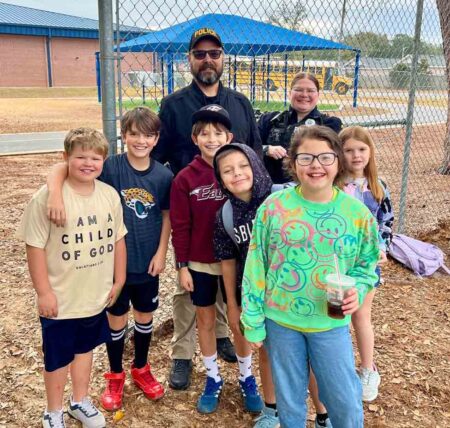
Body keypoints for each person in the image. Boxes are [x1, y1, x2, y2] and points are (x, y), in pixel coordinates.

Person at [240, 126, 380, 427]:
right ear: (293, 162)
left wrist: (357, 286)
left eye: (325, 157)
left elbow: (367, 264)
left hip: (329, 322)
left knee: (343, 398)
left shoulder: (356, 214)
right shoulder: (273, 209)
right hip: (281, 321)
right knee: (289, 401)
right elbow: (256, 266)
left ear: (338, 161)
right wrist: (252, 321)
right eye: (306, 158)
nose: (316, 165)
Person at [154, 27, 263, 390]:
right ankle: (183, 356)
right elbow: (157, 157)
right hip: (195, 211)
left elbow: (255, 156)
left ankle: (222, 338)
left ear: (223, 58)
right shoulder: (174, 105)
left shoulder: (240, 103)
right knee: (190, 295)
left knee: (228, 287)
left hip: (233, 221)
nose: (207, 60)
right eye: (199, 54)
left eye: (213, 53)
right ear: (189, 59)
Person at [46, 107, 173, 411]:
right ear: (124, 135)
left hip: (146, 262)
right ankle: (115, 374)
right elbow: (63, 168)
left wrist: (161, 252)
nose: (140, 140)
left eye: (148, 135)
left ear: (156, 139)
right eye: (134, 134)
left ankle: (141, 368)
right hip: (111, 265)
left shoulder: (163, 174)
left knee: (144, 317)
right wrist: (54, 193)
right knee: (116, 320)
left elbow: (167, 216)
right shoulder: (112, 166)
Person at [17, 128, 127, 428]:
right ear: (66, 158)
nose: (88, 163)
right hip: (61, 298)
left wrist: (118, 281)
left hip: (94, 295)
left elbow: (118, 239)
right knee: (57, 358)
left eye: (95, 157)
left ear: (104, 161)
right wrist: (44, 292)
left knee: (85, 351)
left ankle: (79, 401)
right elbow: (35, 245)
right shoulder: (48, 198)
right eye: (80, 156)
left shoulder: (108, 195)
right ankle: (53, 410)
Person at [170, 105, 262, 414]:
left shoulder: (241, 171)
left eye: (218, 133)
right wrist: (182, 265)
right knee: (206, 321)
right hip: (200, 263)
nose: (212, 138)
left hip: (239, 264)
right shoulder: (185, 178)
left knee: (239, 322)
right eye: (205, 133)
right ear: (194, 138)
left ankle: (247, 376)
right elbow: (180, 225)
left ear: (230, 136)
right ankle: (213, 378)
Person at [213, 143, 278, 427]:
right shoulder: (225, 215)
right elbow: (227, 262)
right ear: (220, 178)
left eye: (243, 166)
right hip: (252, 295)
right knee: (264, 351)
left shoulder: (281, 200)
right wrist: (232, 304)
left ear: (255, 164)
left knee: (306, 356)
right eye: (227, 171)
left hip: (290, 294)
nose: (237, 174)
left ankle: (322, 413)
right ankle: (272, 409)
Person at [340, 125, 394, 402]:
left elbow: (386, 224)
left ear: (370, 151)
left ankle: (368, 369)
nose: (356, 155)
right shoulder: (335, 186)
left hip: (365, 264)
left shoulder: (377, 186)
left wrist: (382, 247)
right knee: (338, 316)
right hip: (337, 263)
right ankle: (341, 368)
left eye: (361, 149)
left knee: (361, 316)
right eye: (348, 150)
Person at [258, 72, 343, 184]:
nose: (304, 94)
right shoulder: (269, 120)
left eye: (310, 91)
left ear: (318, 95)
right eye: (298, 90)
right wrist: (267, 149)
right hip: (271, 186)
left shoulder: (330, 125)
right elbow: (249, 147)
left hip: (311, 187)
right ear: (289, 93)